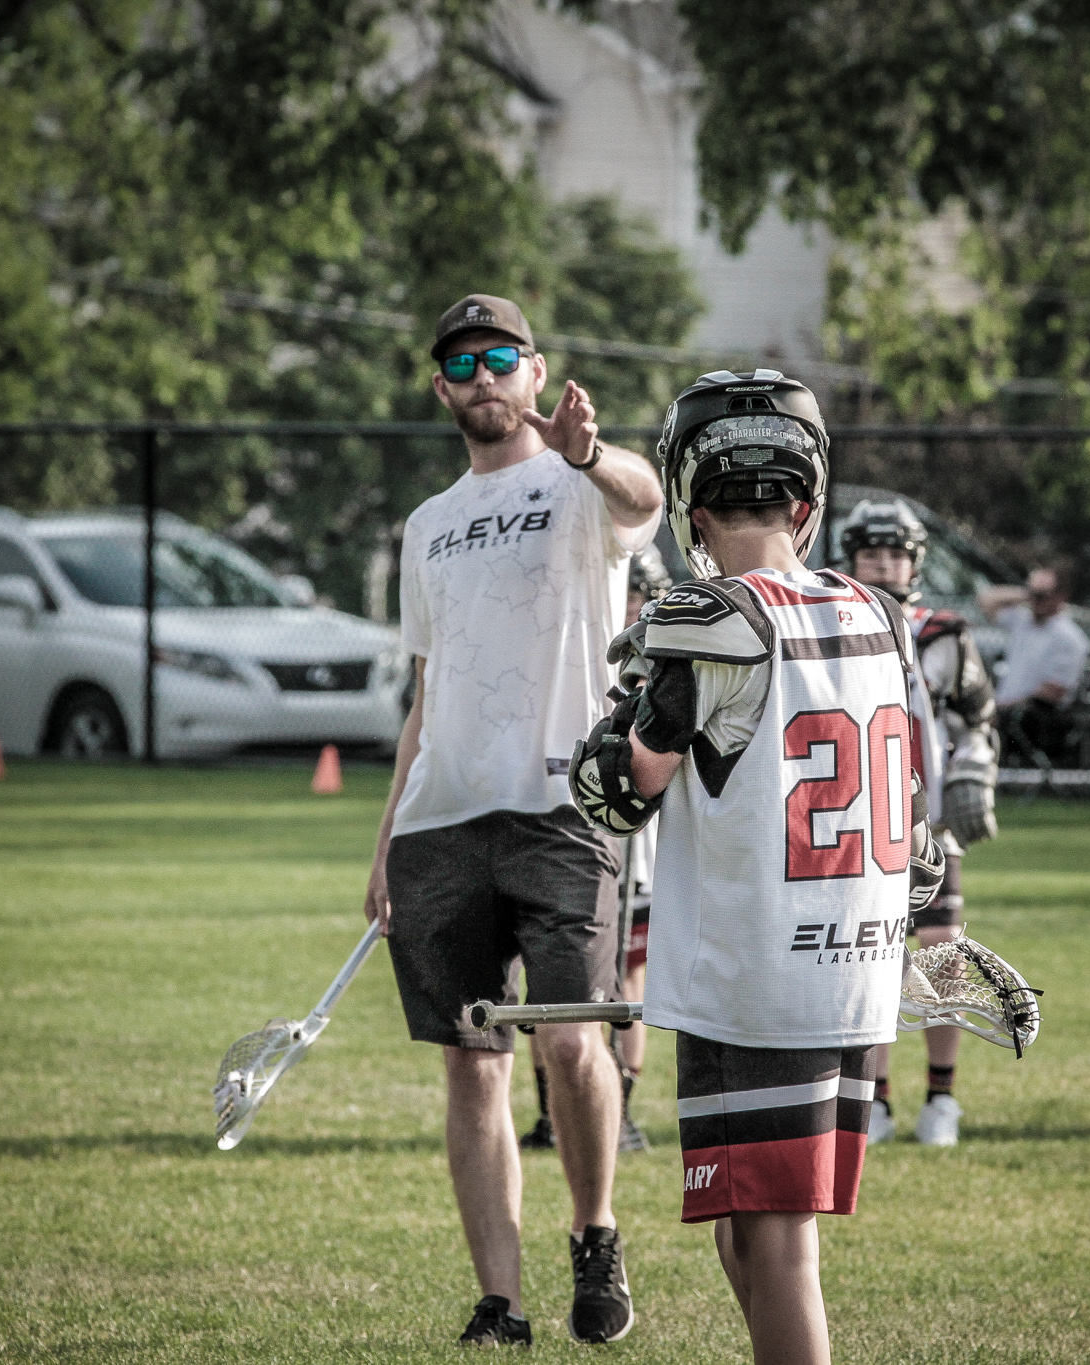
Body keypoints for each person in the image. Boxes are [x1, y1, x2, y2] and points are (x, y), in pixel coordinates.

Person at [569, 370, 944, 1365]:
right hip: (848, 967)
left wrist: (618, 717)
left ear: (691, 508)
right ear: (806, 505)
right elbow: (914, 812)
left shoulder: (710, 622)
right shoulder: (878, 611)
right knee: (749, 1233)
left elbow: (618, 792)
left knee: (773, 1247)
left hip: (754, 977)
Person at [365, 294, 663, 1345]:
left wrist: (588, 457)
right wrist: (383, 842)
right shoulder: (426, 525)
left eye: (500, 357)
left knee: (571, 1043)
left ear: (534, 373)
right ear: (440, 387)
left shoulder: (581, 489)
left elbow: (646, 496)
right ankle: (501, 1300)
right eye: (461, 363)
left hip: (560, 807)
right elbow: (423, 692)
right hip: (440, 819)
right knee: (468, 1055)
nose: (481, 375)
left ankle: (594, 1230)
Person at [837, 500, 998, 1147]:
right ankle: (875, 1100)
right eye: (871, 553)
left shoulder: (945, 632)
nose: (883, 564)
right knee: (869, 955)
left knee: (941, 951)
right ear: (850, 557)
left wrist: (973, 772)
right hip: (855, 819)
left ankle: (941, 1095)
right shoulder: (835, 623)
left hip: (927, 819)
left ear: (916, 559)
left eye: (896, 553)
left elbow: (978, 717)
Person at [522, 546, 672, 1155]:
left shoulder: (670, 656)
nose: (628, 604)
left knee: (628, 971)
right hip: (560, 828)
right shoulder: (566, 647)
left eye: (638, 593)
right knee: (550, 981)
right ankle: (553, 1112)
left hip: (635, 833)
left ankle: (623, 1109)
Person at [978, 565, 1090, 758]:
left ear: (1061, 596)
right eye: (1033, 594)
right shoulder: (1022, 621)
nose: (1035, 601)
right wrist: (1026, 593)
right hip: (1004, 709)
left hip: (1034, 717)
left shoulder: (1070, 637)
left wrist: (1003, 707)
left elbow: (1054, 691)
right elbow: (986, 600)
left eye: (1042, 595)